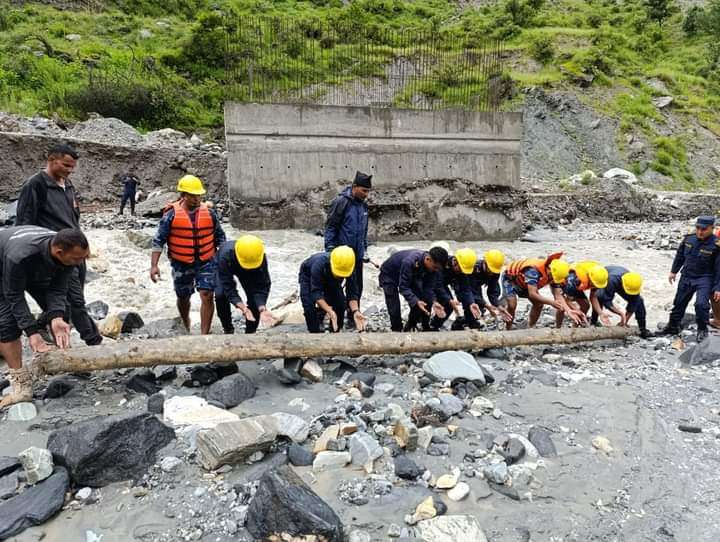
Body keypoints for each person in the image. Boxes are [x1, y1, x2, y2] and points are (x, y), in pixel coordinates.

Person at [15, 143, 102, 346]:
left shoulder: (68, 185)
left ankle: (45, 322)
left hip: (76, 250)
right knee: (75, 301)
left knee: (74, 298)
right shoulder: (35, 185)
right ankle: (93, 341)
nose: (69, 170)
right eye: (65, 165)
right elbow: (24, 224)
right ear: (51, 160)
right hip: (58, 253)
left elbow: (74, 217)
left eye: (72, 167)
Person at [0, 227, 89, 409]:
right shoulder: (20, 256)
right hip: (3, 266)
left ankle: (55, 349)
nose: (81, 263)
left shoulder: (65, 254)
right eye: (77, 258)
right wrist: (31, 332)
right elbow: (14, 296)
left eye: (84, 258)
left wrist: (56, 317)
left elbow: (57, 289)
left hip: (34, 264)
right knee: (7, 323)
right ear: (59, 252)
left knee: (61, 309)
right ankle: (21, 384)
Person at [150, 175, 226, 334]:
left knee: (207, 294)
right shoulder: (170, 215)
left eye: (199, 195)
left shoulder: (210, 213)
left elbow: (220, 237)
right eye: (192, 195)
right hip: (181, 263)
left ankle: (204, 334)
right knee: (183, 297)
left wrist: (223, 258)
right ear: (183, 195)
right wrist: (154, 266)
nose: (197, 198)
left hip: (206, 260)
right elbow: (158, 241)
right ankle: (186, 324)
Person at [658, 215, 720, 342]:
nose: (700, 232)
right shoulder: (689, 239)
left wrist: (718, 287)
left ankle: (702, 330)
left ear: (712, 228)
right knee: (679, 303)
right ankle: (672, 327)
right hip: (687, 275)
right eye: (697, 228)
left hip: (705, 278)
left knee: (701, 305)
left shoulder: (716, 245)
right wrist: (673, 271)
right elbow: (680, 256)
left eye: (704, 229)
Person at [324, 171, 372, 328]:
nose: (366, 194)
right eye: (364, 191)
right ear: (355, 187)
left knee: (357, 287)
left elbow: (363, 231)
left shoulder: (363, 205)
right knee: (334, 288)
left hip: (357, 255)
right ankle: (328, 315)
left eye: (368, 191)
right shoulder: (341, 202)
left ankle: (353, 317)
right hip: (341, 256)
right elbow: (331, 226)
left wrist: (364, 250)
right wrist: (330, 249)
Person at [501, 253, 583, 329]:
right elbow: (532, 294)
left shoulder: (554, 275)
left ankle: (530, 327)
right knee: (512, 305)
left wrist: (569, 311)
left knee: (539, 304)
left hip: (526, 284)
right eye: (552, 277)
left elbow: (558, 295)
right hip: (511, 280)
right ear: (550, 270)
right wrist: (551, 302)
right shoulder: (533, 271)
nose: (552, 280)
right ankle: (508, 329)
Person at [215, 235, 277, 334]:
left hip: (250, 268)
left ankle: (250, 333)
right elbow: (228, 286)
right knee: (220, 295)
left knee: (254, 301)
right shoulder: (225, 256)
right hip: (229, 264)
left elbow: (262, 286)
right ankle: (228, 328)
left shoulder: (259, 256)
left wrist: (262, 308)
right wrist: (243, 308)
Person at [379, 246, 448, 332]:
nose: (436, 270)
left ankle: (412, 326)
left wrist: (434, 302)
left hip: (411, 275)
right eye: (435, 267)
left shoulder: (433, 268)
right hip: (389, 275)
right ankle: (396, 329)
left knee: (420, 300)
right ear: (428, 259)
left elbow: (428, 289)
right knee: (394, 303)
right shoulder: (410, 262)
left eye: (438, 268)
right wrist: (415, 301)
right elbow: (403, 287)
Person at [298, 246, 366, 333]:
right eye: (339, 274)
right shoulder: (319, 264)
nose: (341, 276)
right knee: (309, 308)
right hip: (308, 276)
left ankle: (335, 330)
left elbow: (352, 292)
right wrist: (330, 311)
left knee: (341, 304)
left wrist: (355, 311)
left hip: (331, 279)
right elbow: (316, 292)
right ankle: (314, 331)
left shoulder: (349, 266)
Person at [455, 249, 511, 329]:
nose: (491, 273)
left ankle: (470, 323)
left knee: (479, 311)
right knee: (471, 306)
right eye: (490, 270)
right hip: (463, 286)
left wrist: (498, 305)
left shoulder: (495, 271)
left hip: (475, 287)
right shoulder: (474, 269)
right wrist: (487, 305)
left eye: (493, 271)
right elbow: (470, 292)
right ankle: (460, 324)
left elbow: (492, 291)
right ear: (484, 262)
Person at [591, 267, 652, 338]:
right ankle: (594, 321)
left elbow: (634, 303)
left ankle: (642, 329)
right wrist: (619, 313)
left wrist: (624, 321)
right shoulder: (612, 280)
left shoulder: (635, 284)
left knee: (639, 301)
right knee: (599, 296)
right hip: (607, 279)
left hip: (625, 284)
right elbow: (606, 300)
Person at [429, 248, 477, 330]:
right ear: (455, 261)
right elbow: (438, 286)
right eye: (460, 269)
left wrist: (471, 303)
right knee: (434, 302)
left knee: (449, 306)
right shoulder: (441, 263)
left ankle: (434, 325)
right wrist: (449, 300)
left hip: (442, 285)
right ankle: (422, 324)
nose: (461, 272)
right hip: (430, 284)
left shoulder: (461, 270)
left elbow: (466, 289)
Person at [558, 260, 608, 327]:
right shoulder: (573, 281)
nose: (595, 287)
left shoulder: (598, 278)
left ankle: (574, 328)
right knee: (561, 307)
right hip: (564, 283)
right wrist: (576, 310)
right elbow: (566, 300)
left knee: (585, 305)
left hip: (578, 284)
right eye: (594, 285)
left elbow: (593, 297)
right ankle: (557, 328)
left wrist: (601, 313)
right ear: (590, 278)